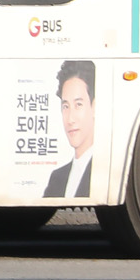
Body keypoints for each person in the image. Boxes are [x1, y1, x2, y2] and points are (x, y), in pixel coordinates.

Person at [43, 61, 96, 198]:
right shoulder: (57, 177)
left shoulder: (101, 171)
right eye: (66, 106)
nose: (70, 119)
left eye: (78, 104)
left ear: (94, 107)